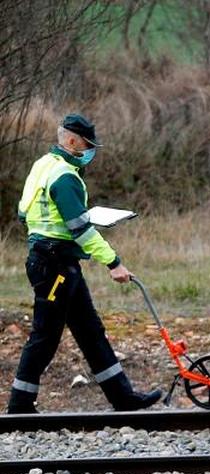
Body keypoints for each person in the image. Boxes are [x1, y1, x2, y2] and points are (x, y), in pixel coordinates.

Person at [9, 113, 161, 414]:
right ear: (70, 141)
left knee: (91, 331)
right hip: (55, 266)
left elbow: (24, 212)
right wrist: (113, 263)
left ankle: (123, 399)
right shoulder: (65, 176)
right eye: (86, 145)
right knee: (45, 335)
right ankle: (19, 406)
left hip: (57, 263)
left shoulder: (43, 166)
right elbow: (81, 230)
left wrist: (63, 221)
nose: (89, 151)